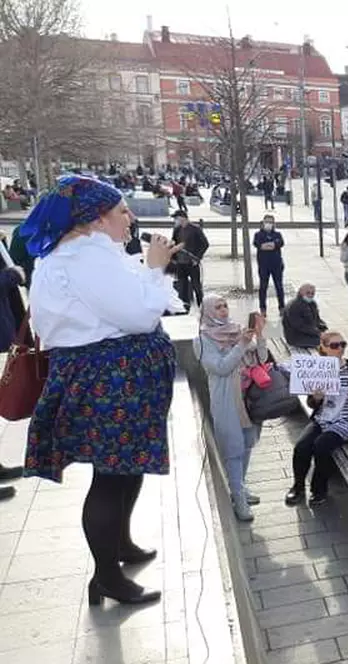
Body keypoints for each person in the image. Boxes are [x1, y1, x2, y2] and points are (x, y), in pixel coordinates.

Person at [18, 175, 179, 605]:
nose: (130, 217)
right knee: (111, 477)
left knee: (125, 468)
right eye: (122, 210)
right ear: (95, 218)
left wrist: (149, 271)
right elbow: (140, 315)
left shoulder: (84, 255)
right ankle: (106, 575)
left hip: (110, 378)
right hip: (109, 382)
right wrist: (157, 267)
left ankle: (119, 546)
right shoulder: (84, 259)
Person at [197, 299, 268, 521]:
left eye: (225, 305)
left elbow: (262, 358)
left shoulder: (237, 330)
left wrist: (260, 335)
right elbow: (221, 367)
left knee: (247, 444)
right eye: (217, 307)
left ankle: (241, 486)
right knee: (233, 450)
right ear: (207, 312)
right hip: (228, 401)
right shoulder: (202, 340)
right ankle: (237, 499)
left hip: (249, 400)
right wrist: (241, 345)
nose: (223, 310)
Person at [286, 331, 348, 507]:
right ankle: (298, 486)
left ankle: (319, 489)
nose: (340, 349)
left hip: (346, 420)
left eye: (342, 344)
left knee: (322, 445)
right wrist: (316, 397)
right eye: (334, 345)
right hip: (324, 418)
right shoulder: (318, 368)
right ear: (323, 348)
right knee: (302, 446)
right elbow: (311, 403)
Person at [169, 209, 209, 312]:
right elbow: (174, 244)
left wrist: (197, 258)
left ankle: (203, 308)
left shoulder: (195, 229)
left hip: (192, 263)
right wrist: (173, 260)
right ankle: (185, 308)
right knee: (182, 287)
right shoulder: (177, 230)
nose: (175, 220)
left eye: (176, 218)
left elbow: (205, 244)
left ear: (183, 217)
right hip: (180, 263)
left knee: (196, 286)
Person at [252, 215, 286, 316]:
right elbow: (259, 245)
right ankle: (263, 308)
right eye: (266, 222)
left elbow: (279, 244)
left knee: (279, 286)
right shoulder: (258, 235)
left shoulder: (278, 234)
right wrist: (270, 245)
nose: (268, 224)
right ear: (263, 223)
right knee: (263, 287)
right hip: (263, 265)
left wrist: (270, 245)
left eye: (271, 222)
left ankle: (282, 307)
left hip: (277, 265)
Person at [282, 284, 327, 349]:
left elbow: (317, 319)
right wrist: (318, 333)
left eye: (312, 293)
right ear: (301, 292)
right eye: (308, 293)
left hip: (308, 333)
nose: (310, 295)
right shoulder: (294, 306)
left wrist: (324, 328)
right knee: (326, 342)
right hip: (296, 337)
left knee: (331, 338)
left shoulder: (312, 303)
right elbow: (300, 326)